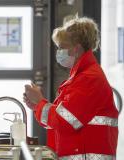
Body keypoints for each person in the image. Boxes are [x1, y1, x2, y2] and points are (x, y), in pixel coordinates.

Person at [24, 17, 118, 159]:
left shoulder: (88, 79)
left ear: (76, 48)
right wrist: (37, 106)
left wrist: (40, 102)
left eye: (62, 47)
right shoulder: (79, 77)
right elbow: (60, 120)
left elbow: (65, 122)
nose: (59, 52)